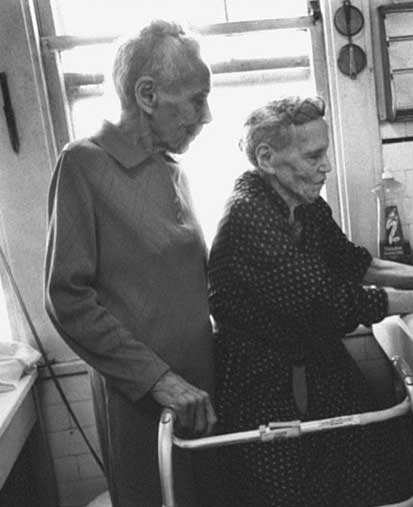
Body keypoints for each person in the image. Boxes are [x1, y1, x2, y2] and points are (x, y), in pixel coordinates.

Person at [208, 96, 413, 506]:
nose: (326, 166)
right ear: (267, 157)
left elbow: (355, 264)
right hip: (265, 385)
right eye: (314, 155)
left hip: (317, 369)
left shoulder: (304, 206)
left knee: (368, 475)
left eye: (325, 151)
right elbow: (334, 302)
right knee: (289, 494)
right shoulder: (249, 216)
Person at [45, 20, 217, 507]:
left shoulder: (172, 171)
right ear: (147, 94)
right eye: (197, 98)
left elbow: (187, 283)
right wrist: (160, 381)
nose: (206, 115)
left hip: (199, 389)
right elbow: (67, 299)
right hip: (144, 401)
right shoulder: (83, 164)